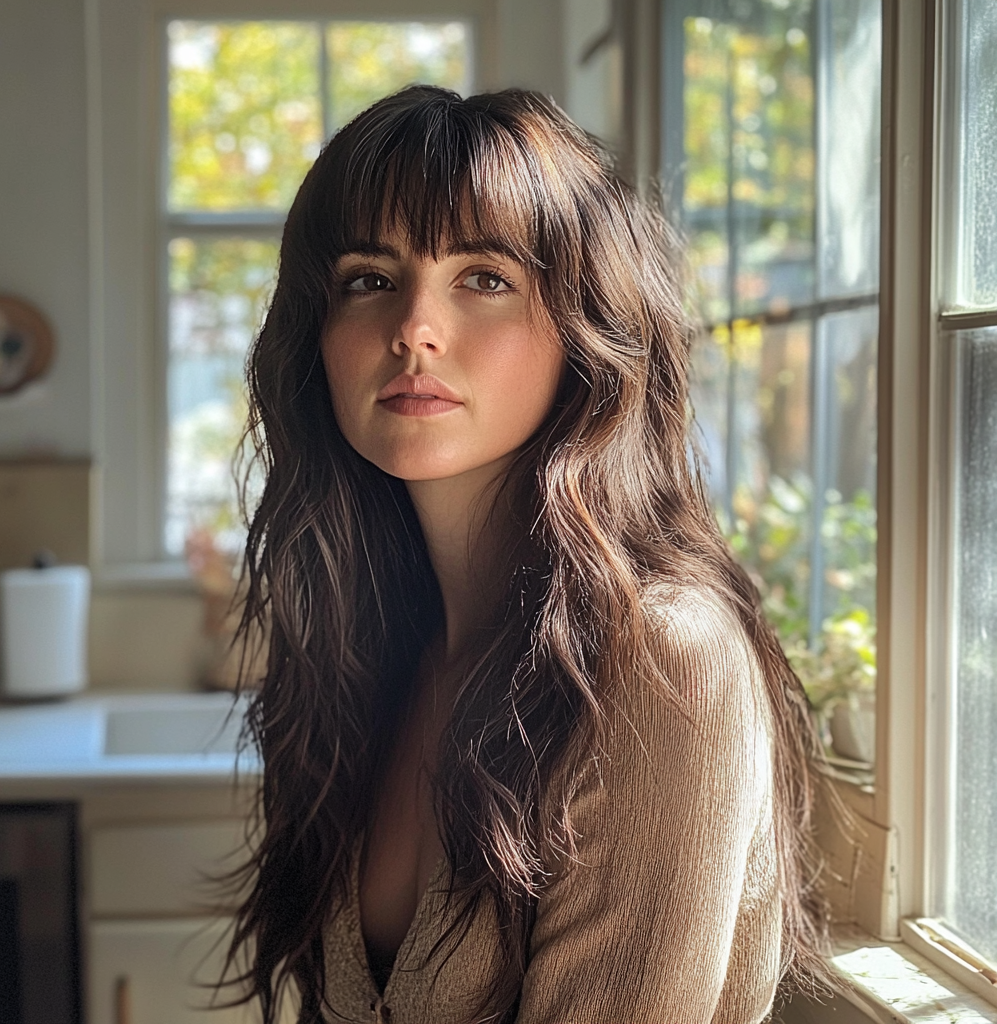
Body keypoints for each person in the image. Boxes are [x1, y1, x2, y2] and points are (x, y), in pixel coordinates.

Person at [227, 85, 828, 1024]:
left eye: (484, 278)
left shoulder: (661, 661)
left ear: (585, 329)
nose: (414, 329)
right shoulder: (373, 649)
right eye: (369, 279)